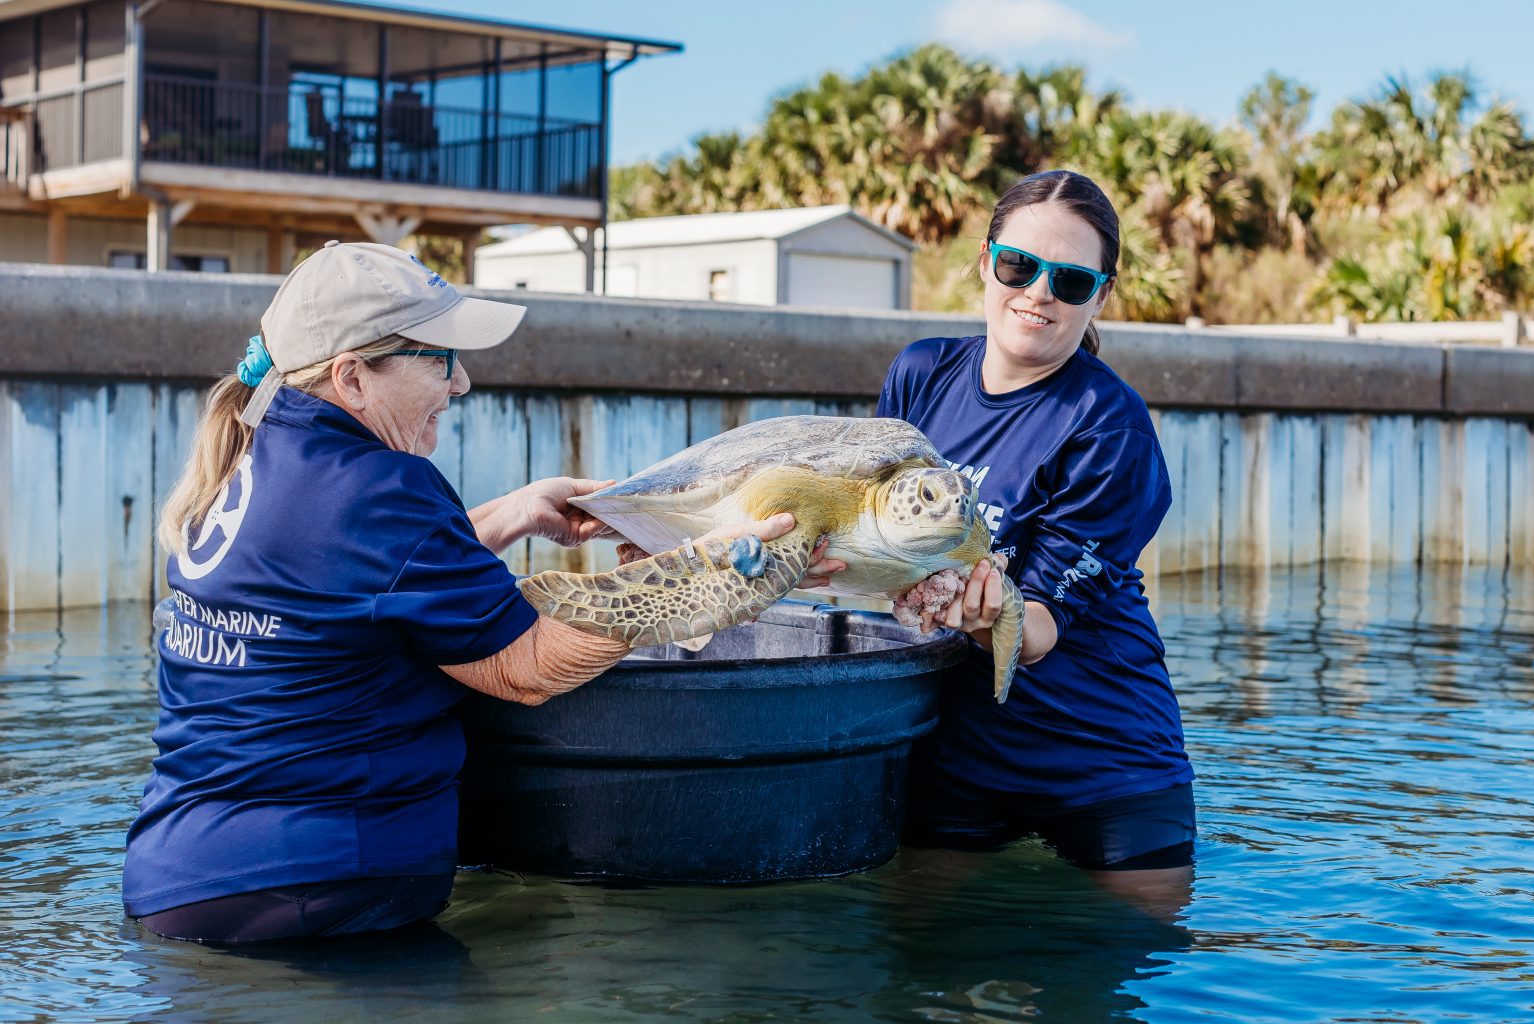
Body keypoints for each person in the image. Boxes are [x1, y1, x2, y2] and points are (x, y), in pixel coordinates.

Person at [123, 241, 829, 944]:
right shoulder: (380, 488)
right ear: (352, 377)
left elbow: (362, 585)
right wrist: (709, 574)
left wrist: (511, 513)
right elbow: (525, 668)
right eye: (439, 359)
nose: (460, 385)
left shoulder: (254, 461)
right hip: (315, 895)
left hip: (178, 880)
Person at [877, 170, 1194, 914]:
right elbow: (872, 524)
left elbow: (1041, 625)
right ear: (986, 262)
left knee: (1118, 975)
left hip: (1104, 764)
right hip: (951, 762)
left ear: (1101, 297)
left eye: (1072, 280)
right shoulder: (920, 376)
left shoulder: (1108, 423)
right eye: (1020, 265)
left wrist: (983, 609)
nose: (1039, 292)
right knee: (911, 971)